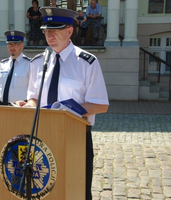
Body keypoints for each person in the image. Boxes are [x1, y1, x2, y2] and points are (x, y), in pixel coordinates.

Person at [17, 7, 109, 200]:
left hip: (74, 136)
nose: (49, 35)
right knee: (42, 189)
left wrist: (66, 111)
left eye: (55, 30)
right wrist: (29, 106)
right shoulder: (37, 62)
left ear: (69, 31)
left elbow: (100, 104)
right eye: (46, 31)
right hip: (41, 134)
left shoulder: (87, 62)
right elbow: (33, 97)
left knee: (77, 190)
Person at [0, 30, 31, 120]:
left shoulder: (30, 64)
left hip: (20, 109)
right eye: (10, 44)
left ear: (22, 45)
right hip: (1, 108)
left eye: (16, 44)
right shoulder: (2, 64)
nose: (12, 47)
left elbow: (34, 92)